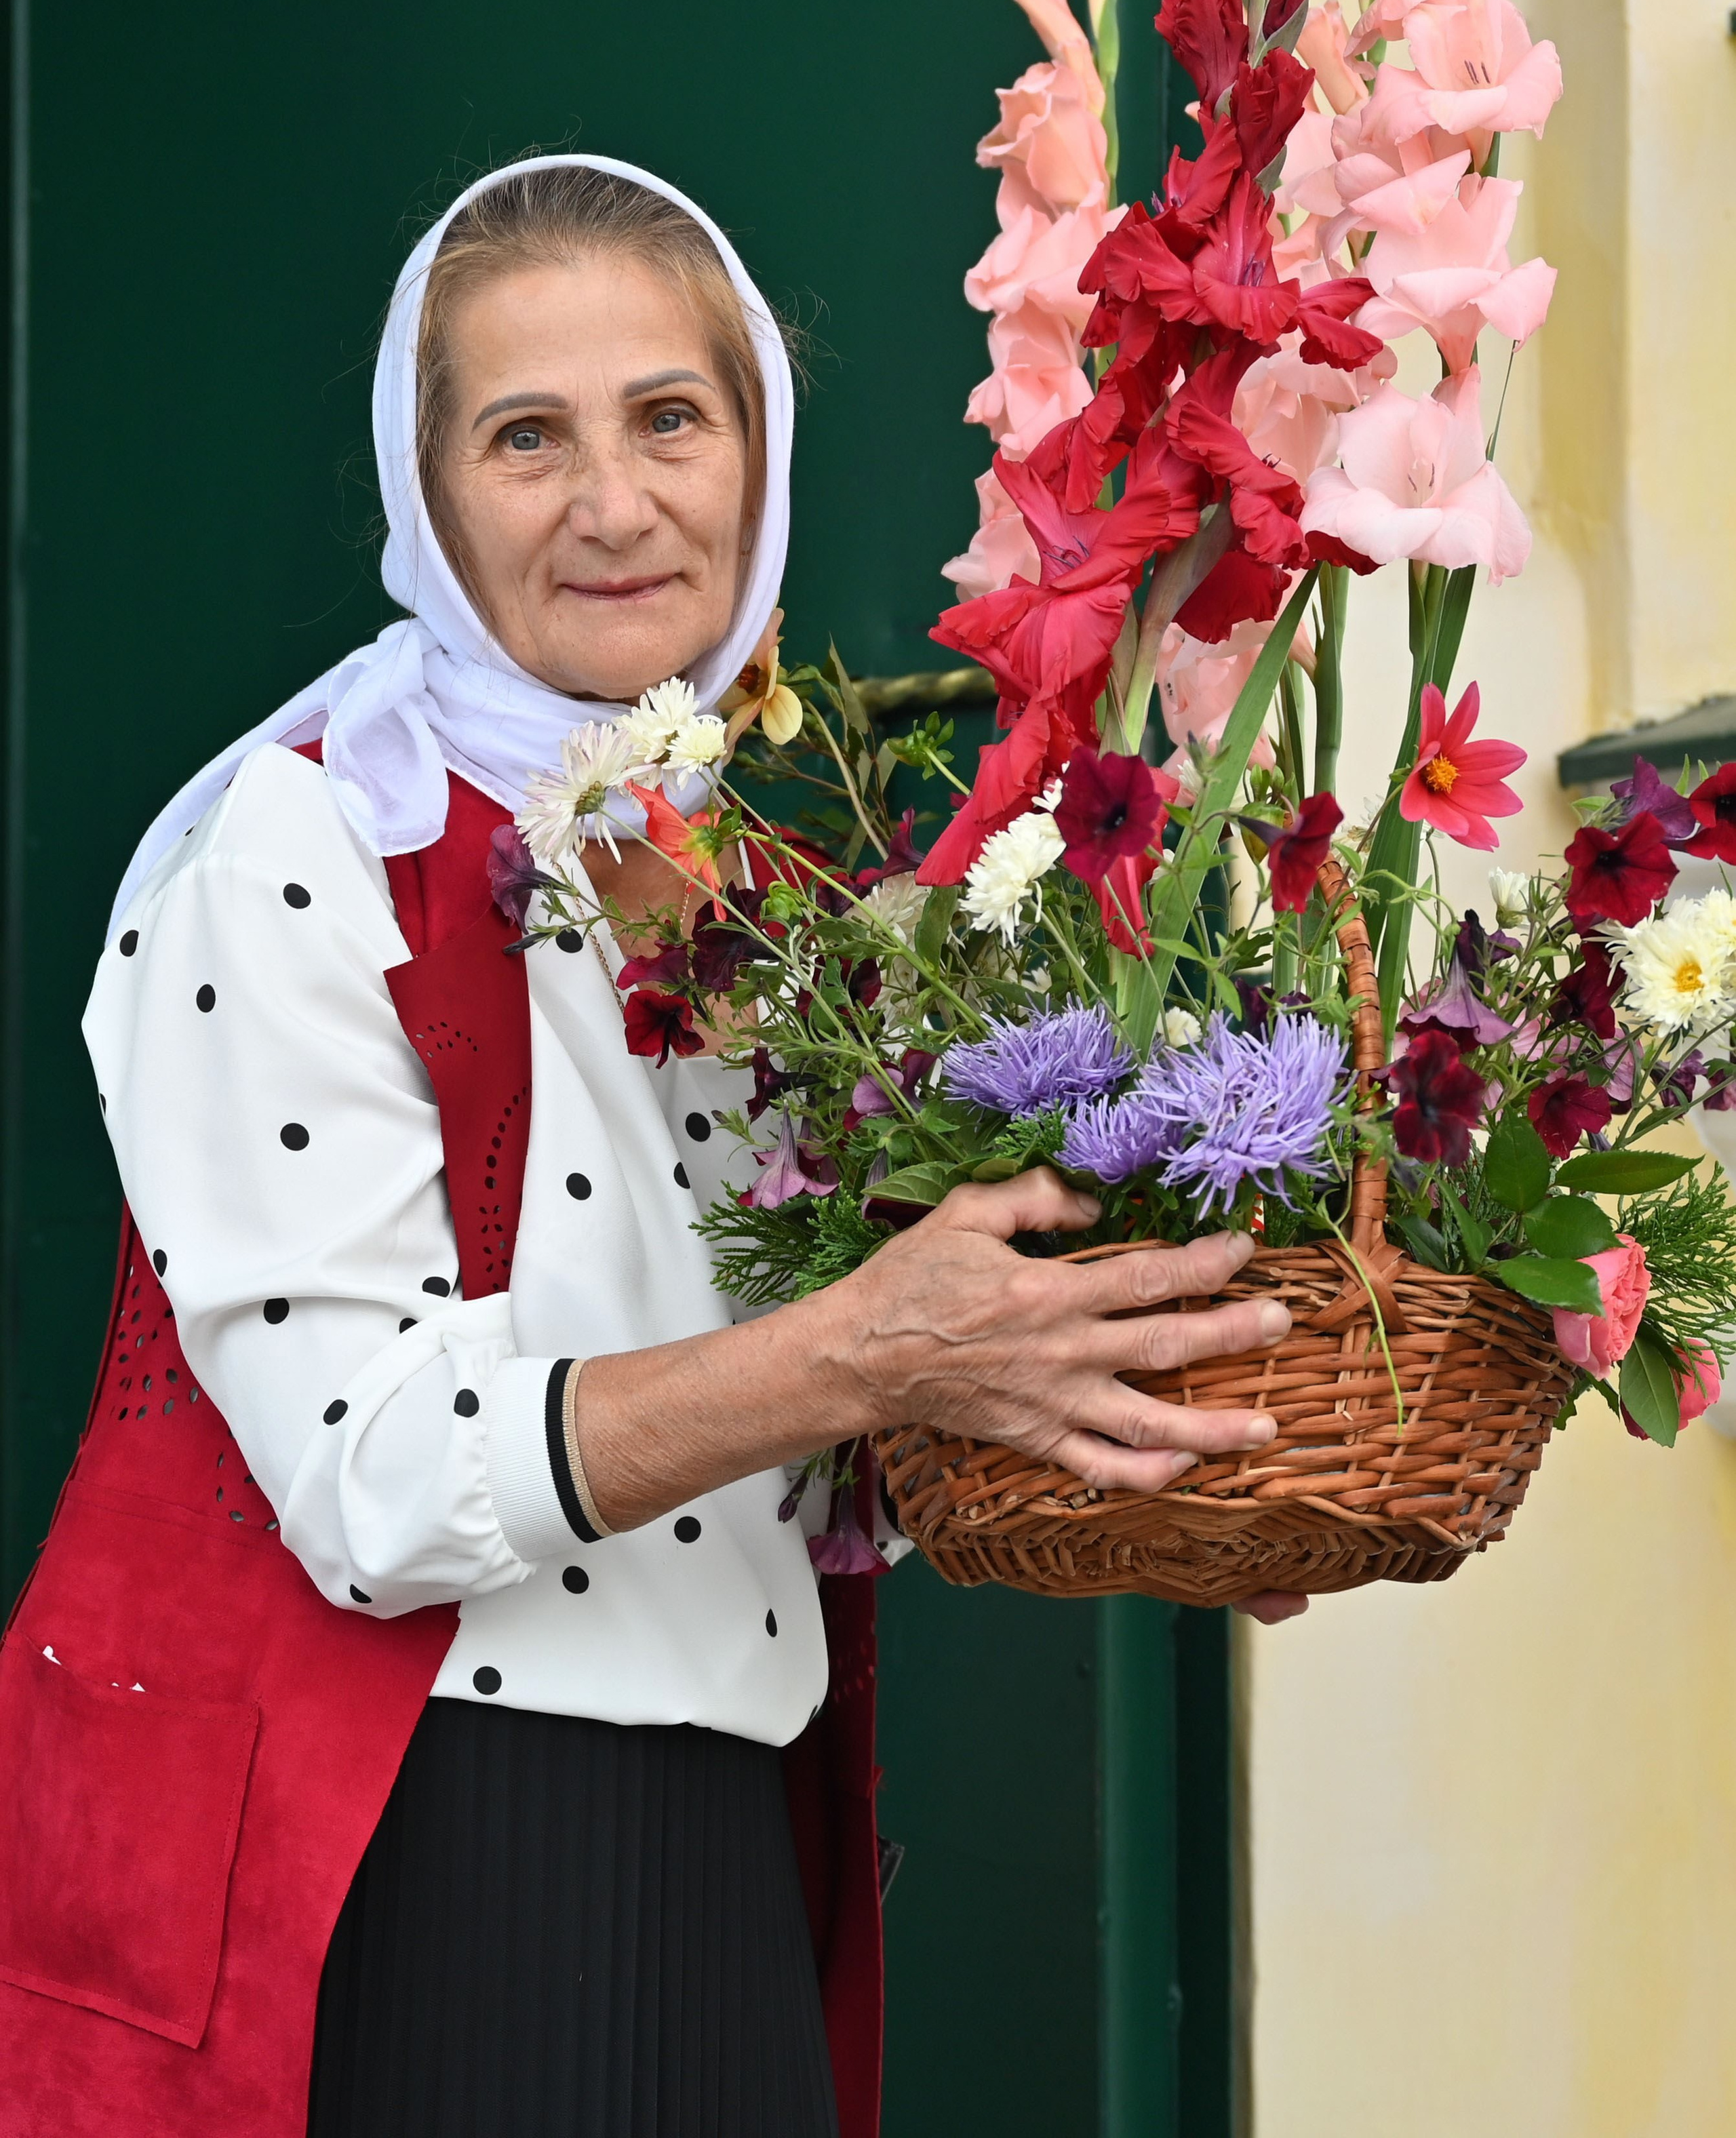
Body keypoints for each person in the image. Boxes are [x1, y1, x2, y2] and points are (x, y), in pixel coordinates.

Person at [0, 156, 1301, 2138]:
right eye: (528, 437)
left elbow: (839, 1413)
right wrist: (872, 1349)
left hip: (722, 1841)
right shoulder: (298, 844)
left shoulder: (745, 899)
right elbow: (369, 1483)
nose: (615, 505)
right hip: (408, 1861)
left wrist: (1163, 1458)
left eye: (670, 420)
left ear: (757, 465)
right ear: (426, 497)